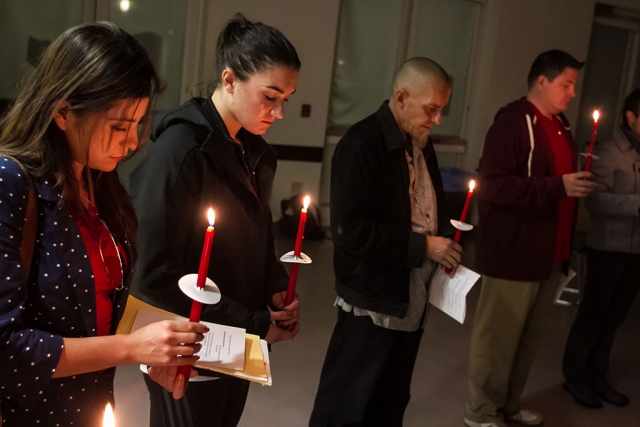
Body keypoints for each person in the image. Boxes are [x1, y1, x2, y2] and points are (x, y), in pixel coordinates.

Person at [0, 22, 208, 426]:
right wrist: (131, 348)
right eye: (118, 126)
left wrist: (158, 348)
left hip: (88, 404)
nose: (131, 144)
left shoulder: (95, 178)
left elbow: (95, 300)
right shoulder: (11, 182)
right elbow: (5, 347)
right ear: (62, 112)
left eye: (138, 123)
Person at [129, 13, 301, 427]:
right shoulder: (181, 152)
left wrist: (276, 285)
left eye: (286, 100)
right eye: (270, 96)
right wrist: (255, 323)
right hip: (188, 347)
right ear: (229, 81)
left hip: (234, 344)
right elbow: (153, 272)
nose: (279, 113)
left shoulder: (251, 150)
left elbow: (253, 239)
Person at [309, 57, 461, 427]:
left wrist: (445, 237)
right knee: (346, 401)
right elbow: (351, 231)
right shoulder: (361, 144)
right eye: (432, 109)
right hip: (372, 296)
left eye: (442, 110)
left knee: (391, 397)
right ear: (401, 96)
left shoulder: (420, 139)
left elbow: (428, 202)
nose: (438, 119)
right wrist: (424, 247)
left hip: (410, 293)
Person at [464, 50, 596, 427]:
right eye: (565, 84)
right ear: (542, 81)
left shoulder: (561, 124)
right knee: (496, 342)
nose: (572, 92)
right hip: (513, 253)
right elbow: (494, 186)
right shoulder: (513, 122)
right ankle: (480, 414)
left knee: (527, 341)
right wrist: (557, 186)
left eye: (573, 85)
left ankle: (508, 405)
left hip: (549, 254)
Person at [562, 88, 640, 409]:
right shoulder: (609, 151)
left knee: (615, 317)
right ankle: (575, 376)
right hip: (607, 247)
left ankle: (598, 375)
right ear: (631, 117)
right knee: (593, 314)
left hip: (636, 252)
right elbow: (595, 200)